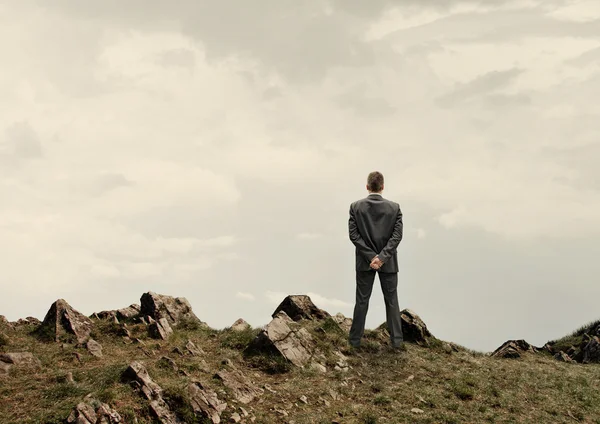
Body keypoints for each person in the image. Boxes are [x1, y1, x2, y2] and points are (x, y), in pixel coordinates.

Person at [348, 171, 404, 349]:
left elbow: (354, 236)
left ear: (367, 186)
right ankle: (396, 343)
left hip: (364, 263)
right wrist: (381, 258)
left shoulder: (355, 207)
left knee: (362, 301)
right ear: (382, 187)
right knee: (392, 302)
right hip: (388, 263)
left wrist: (371, 257)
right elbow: (397, 237)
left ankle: (355, 341)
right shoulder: (394, 208)